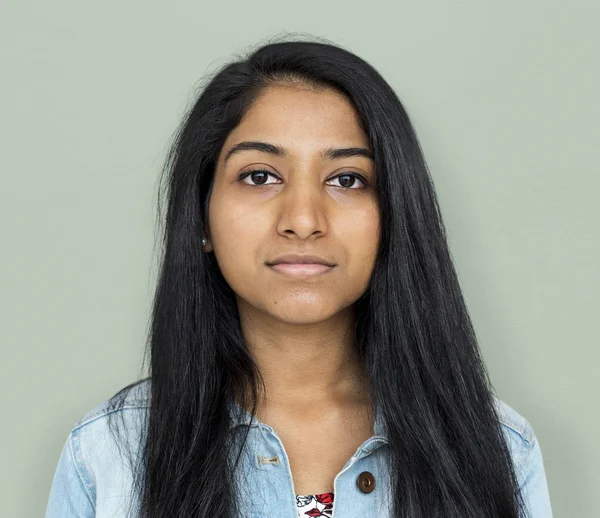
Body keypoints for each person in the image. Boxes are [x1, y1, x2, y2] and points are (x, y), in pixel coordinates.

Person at [44, 36, 553, 518]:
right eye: (260, 176)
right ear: (201, 218)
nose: (304, 219)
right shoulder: (107, 452)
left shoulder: (497, 447)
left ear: (394, 215)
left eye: (347, 179)